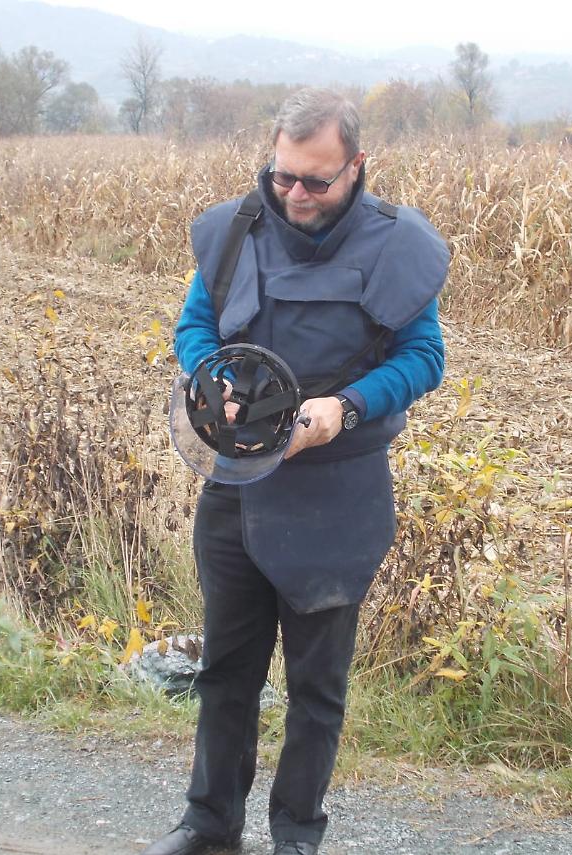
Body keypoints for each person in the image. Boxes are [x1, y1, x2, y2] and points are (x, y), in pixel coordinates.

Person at [145, 88, 449, 855]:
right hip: (238, 487)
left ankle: (297, 836)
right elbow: (194, 324)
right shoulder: (235, 232)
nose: (295, 195)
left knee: (317, 691)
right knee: (226, 672)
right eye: (283, 176)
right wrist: (206, 373)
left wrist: (343, 408)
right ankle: (209, 825)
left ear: (357, 166)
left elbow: (424, 358)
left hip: (337, 494)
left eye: (316, 181)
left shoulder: (396, 248)